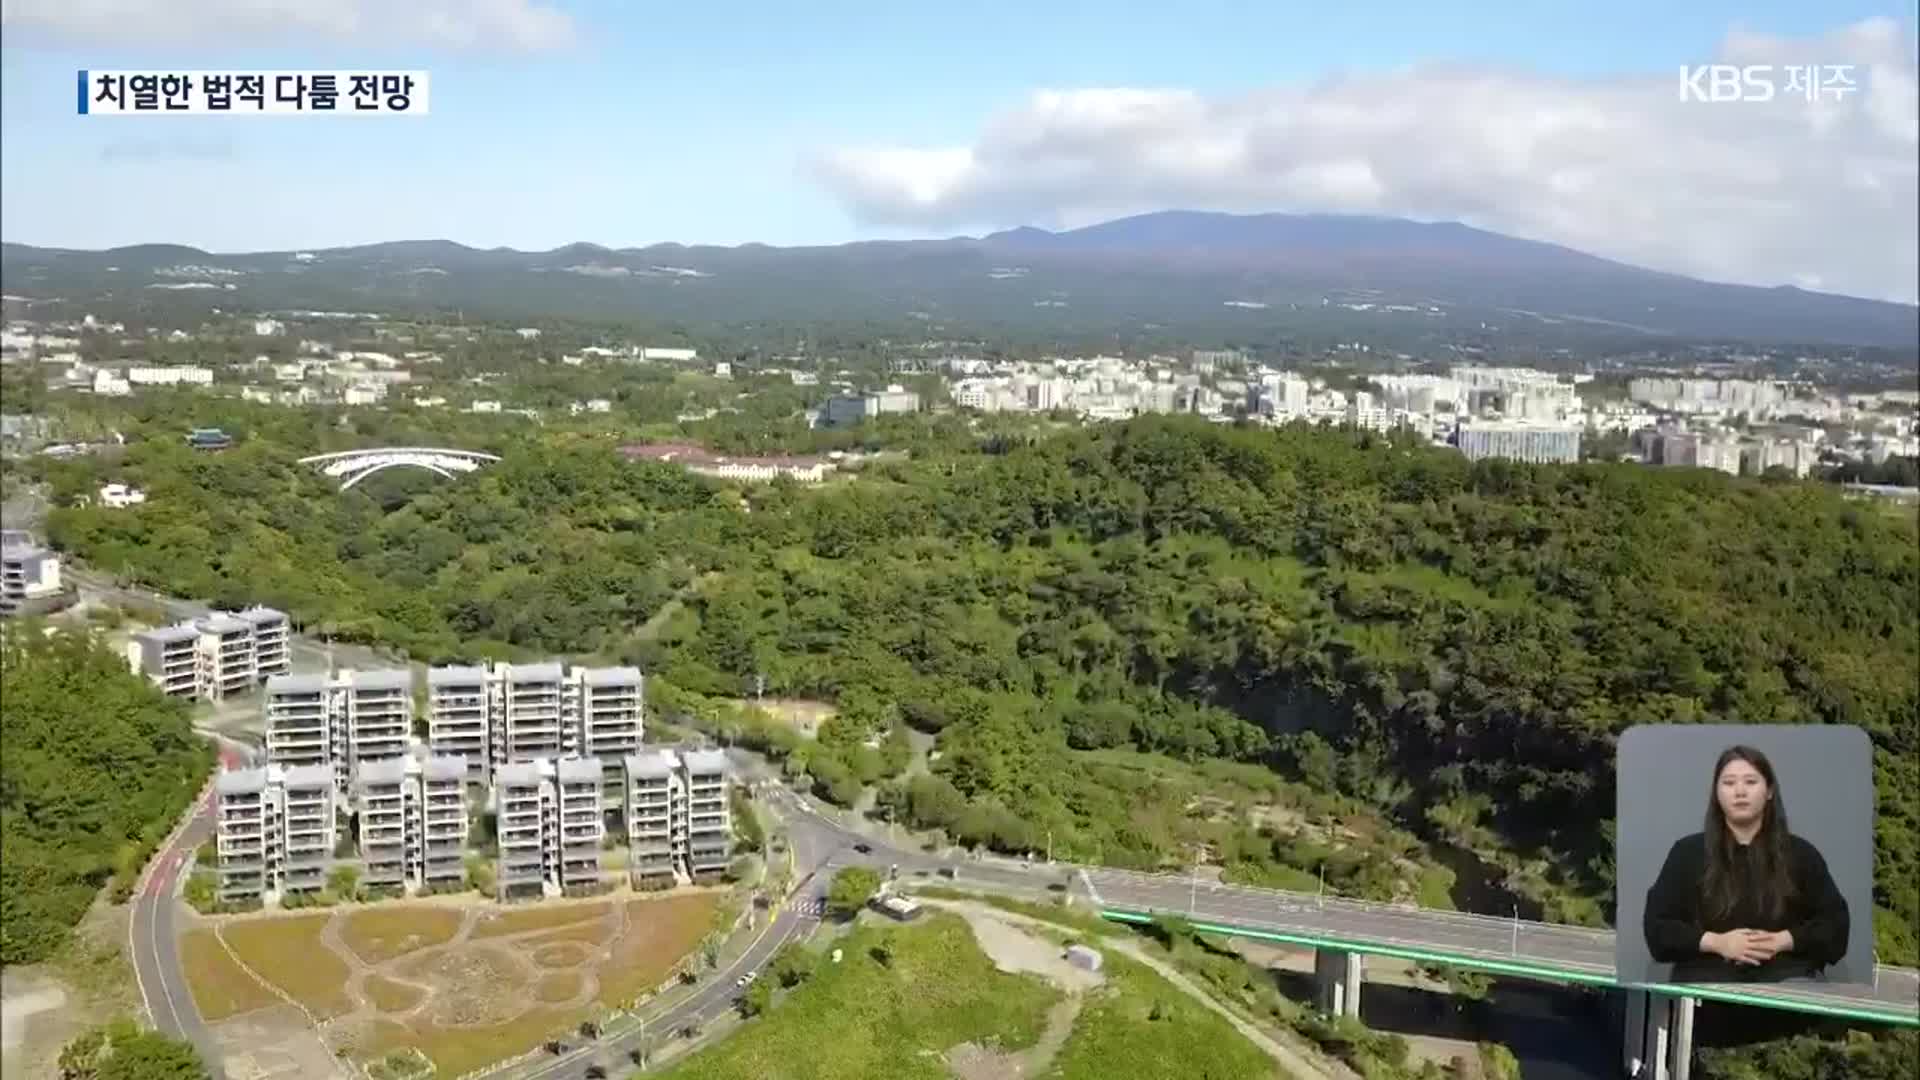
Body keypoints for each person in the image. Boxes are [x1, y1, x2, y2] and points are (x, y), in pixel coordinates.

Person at [1642, 745, 1850, 983]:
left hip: (1786, 990)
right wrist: (1717, 943)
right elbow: (1658, 930)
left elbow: (1836, 927)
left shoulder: (1802, 855)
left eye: (1751, 782)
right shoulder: (1686, 853)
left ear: (1769, 791)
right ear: (1717, 793)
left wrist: (1782, 940)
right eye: (1729, 783)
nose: (1740, 791)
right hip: (1705, 989)